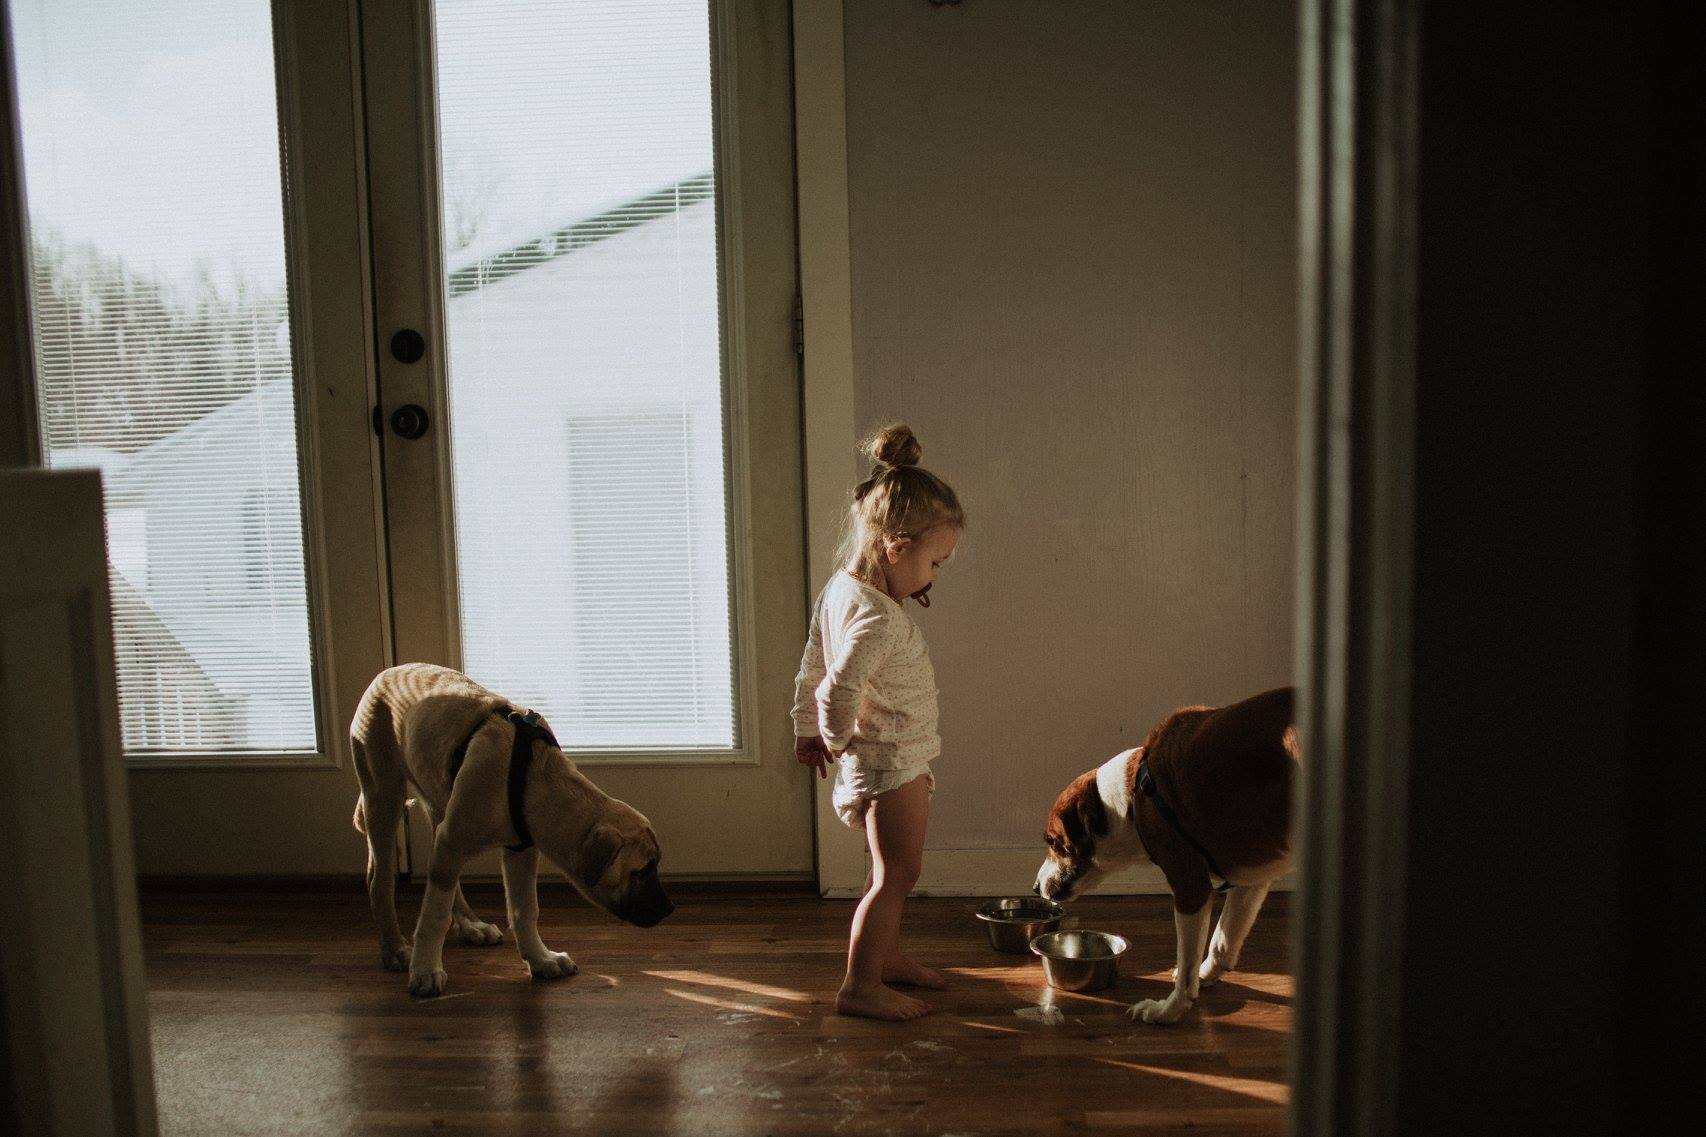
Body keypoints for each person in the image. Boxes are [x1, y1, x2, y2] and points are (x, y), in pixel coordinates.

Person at [792, 422, 965, 1021]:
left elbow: (813, 662)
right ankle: (859, 985)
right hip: (891, 762)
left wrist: (805, 730)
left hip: (881, 758)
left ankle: (885, 958)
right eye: (936, 562)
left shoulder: (842, 588)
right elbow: (837, 687)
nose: (936, 576)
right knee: (897, 875)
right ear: (896, 548)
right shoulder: (879, 620)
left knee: (881, 870)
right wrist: (835, 738)